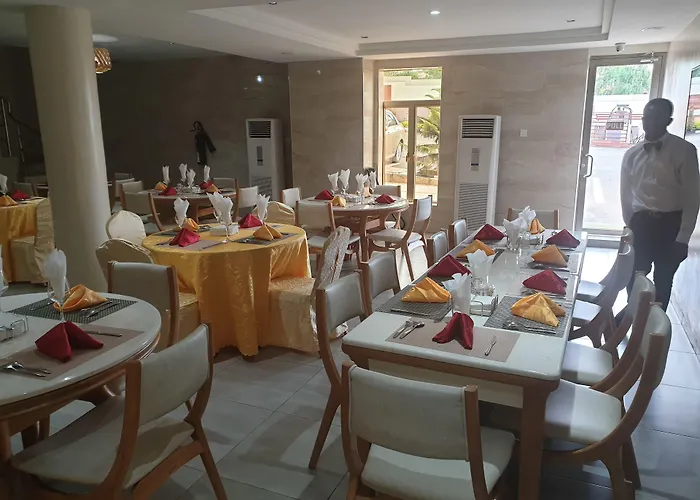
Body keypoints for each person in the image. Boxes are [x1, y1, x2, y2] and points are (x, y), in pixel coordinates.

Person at [620, 97, 699, 310]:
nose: (651, 122)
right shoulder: (632, 154)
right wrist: (631, 226)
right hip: (641, 224)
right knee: (634, 277)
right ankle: (631, 320)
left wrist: (683, 238)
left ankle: (655, 326)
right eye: (648, 117)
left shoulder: (684, 151)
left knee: (663, 280)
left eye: (657, 117)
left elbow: (692, 197)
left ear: (668, 121)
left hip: (671, 225)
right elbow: (625, 196)